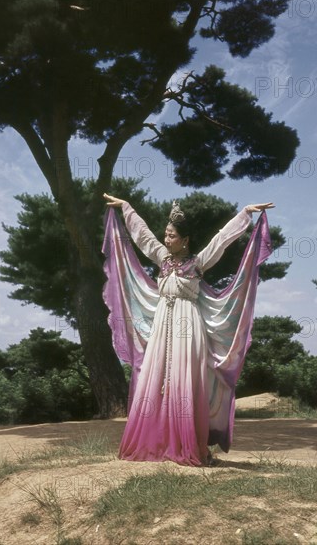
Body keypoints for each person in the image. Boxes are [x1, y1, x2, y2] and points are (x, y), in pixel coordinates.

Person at [102, 193, 274, 466]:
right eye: (167, 234)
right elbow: (143, 236)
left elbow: (221, 240)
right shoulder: (162, 258)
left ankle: (188, 443)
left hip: (187, 323)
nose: (167, 239)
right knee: (157, 378)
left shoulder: (198, 262)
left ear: (185, 240)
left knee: (184, 379)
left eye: (172, 236)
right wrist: (126, 207)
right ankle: (158, 440)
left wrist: (245, 214)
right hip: (163, 323)